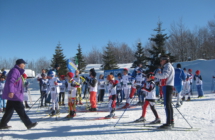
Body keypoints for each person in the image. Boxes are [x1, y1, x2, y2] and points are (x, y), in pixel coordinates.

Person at [0, 59, 37, 129]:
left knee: (9, 110)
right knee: (20, 109)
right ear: (20, 64)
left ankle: (2, 124)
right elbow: (11, 82)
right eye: (24, 64)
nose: (24, 65)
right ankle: (28, 124)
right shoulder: (15, 71)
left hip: (15, 94)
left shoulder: (17, 71)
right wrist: (11, 91)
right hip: (14, 94)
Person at [155, 55, 175, 129]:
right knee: (168, 104)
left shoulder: (167, 66)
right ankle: (171, 121)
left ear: (165, 60)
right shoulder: (168, 66)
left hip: (167, 86)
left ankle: (169, 123)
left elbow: (164, 75)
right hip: (167, 85)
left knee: (167, 105)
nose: (160, 62)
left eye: (161, 60)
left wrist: (155, 75)